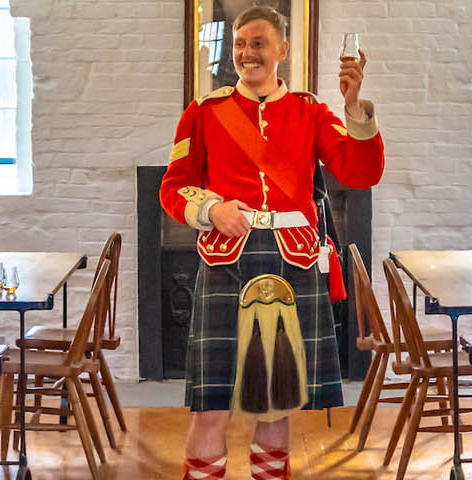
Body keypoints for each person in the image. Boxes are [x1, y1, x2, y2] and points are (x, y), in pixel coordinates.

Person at [158, 6, 385, 479]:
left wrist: (353, 106)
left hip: (294, 260)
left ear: (282, 50)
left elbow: (362, 173)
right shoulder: (204, 113)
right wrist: (212, 210)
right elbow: (172, 188)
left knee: (276, 403)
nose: (246, 54)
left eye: (257, 44)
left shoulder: (312, 112)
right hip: (226, 259)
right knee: (211, 406)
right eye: (239, 45)